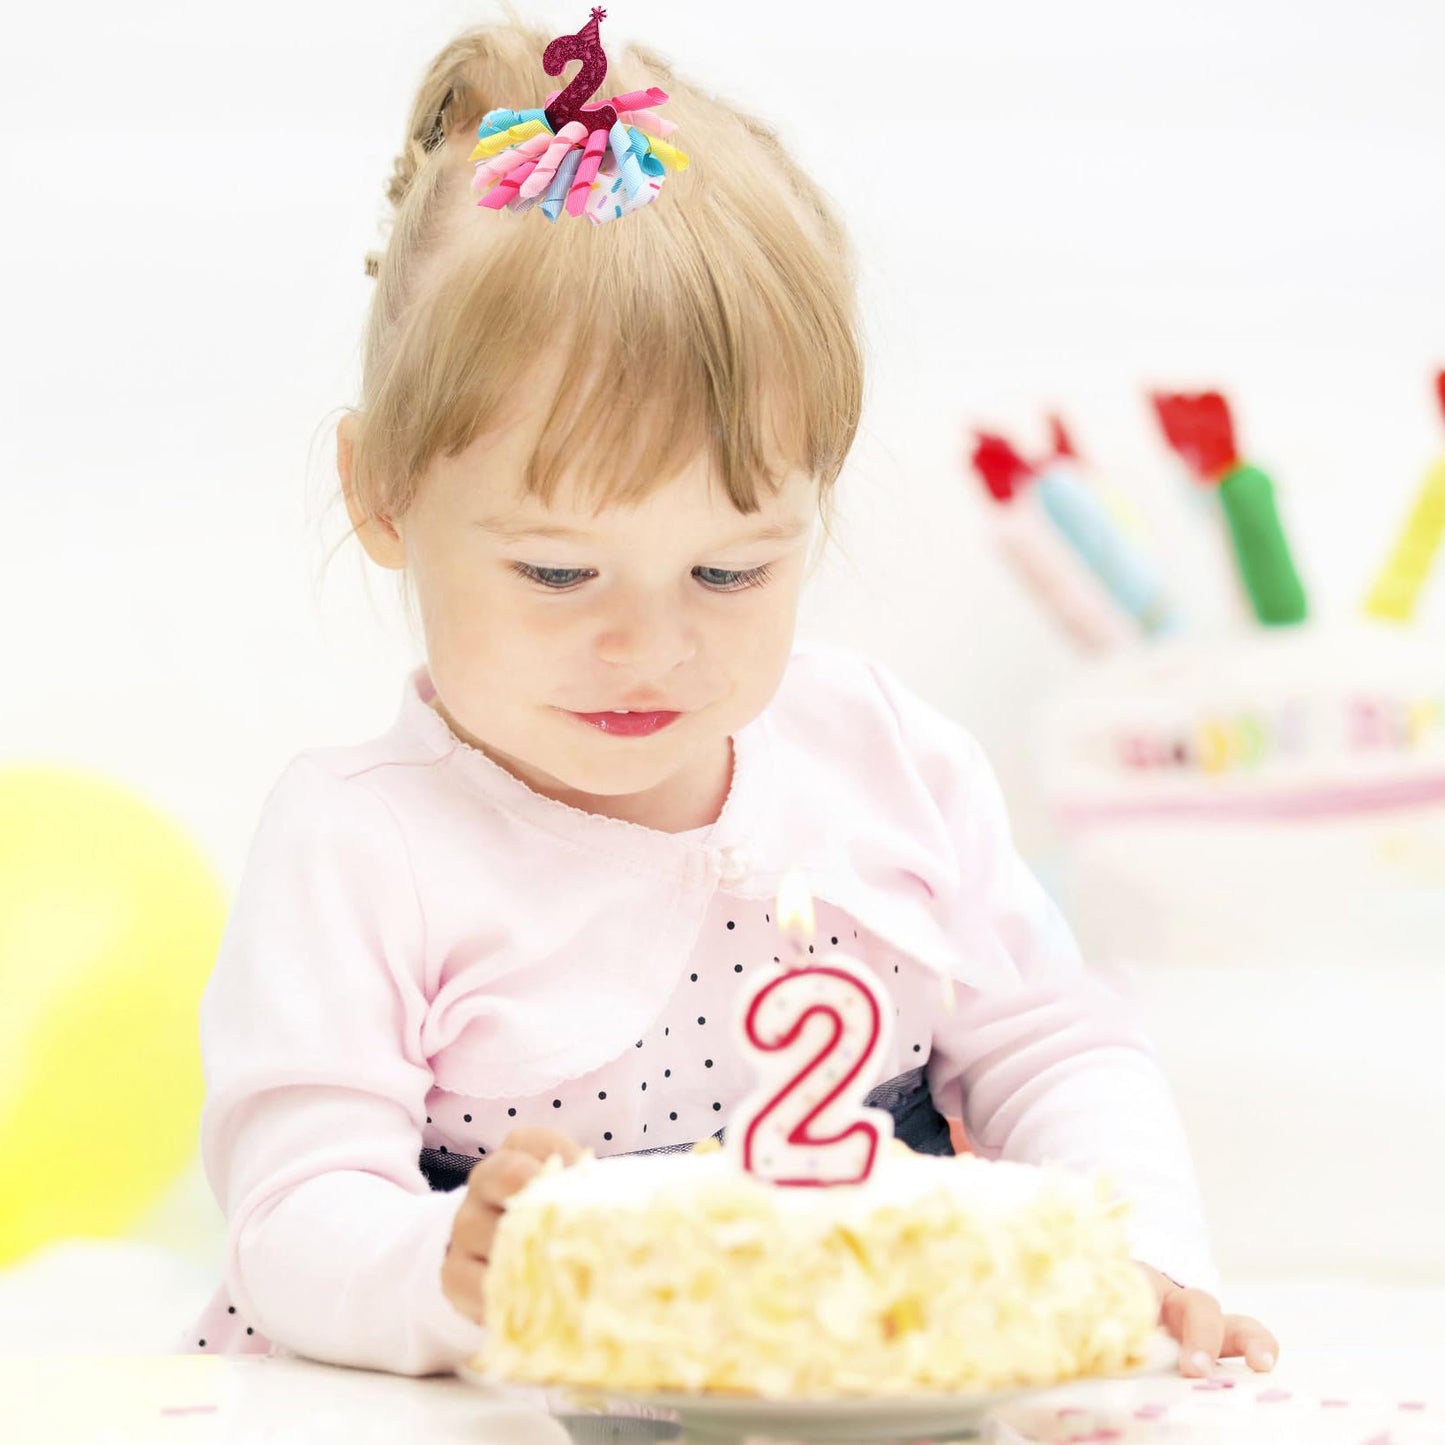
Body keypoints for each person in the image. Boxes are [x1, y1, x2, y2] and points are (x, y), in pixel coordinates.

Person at [177, 6, 1278, 1384]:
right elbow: (292, 1217)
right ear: (382, 493)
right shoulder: (361, 844)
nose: (650, 649)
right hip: (505, 1401)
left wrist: (1151, 1243)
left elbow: (1052, 1042)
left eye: (726, 569)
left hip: (866, 1384)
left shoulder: (879, 752)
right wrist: (447, 1265)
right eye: (560, 572)